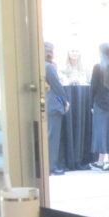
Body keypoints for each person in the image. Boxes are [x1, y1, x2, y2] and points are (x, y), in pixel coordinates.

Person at [89, 43, 109, 172]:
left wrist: (91, 103)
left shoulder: (98, 67)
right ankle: (102, 161)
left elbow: (93, 87)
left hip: (100, 103)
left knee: (101, 132)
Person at [44, 42, 69, 176]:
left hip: (45, 104)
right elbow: (57, 86)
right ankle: (52, 166)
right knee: (52, 137)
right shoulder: (49, 67)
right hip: (53, 105)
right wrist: (65, 100)